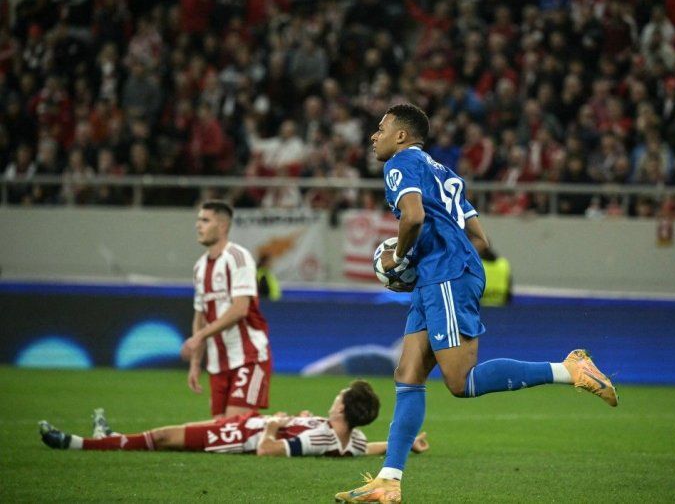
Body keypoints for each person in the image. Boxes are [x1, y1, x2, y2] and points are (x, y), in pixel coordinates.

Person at [335, 104, 617, 504]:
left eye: (380, 129)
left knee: (459, 381)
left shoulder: (400, 164)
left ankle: (570, 369)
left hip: (445, 275)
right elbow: (480, 241)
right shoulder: (446, 174)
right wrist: (423, 267)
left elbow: (412, 217)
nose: (373, 136)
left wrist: (399, 261)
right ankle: (388, 481)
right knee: (408, 372)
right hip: (442, 273)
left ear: (401, 135)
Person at [39, 380, 429, 457]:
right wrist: (408, 443)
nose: (333, 401)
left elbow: (270, 451)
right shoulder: (348, 440)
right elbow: (371, 446)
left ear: (343, 408)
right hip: (244, 424)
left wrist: (275, 426)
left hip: (240, 435)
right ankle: (107, 436)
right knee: (161, 436)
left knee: (163, 437)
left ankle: (77, 443)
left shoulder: (322, 441)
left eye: (337, 398)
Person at [180, 200, 273, 418]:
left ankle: (289, 430)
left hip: (249, 357)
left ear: (222, 226)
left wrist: (199, 336)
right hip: (218, 363)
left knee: (231, 431)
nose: (198, 225)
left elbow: (240, 309)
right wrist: (195, 363)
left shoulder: (238, 258)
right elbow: (200, 317)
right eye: (198, 220)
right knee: (220, 436)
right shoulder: (199, 267)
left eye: (205, 220)